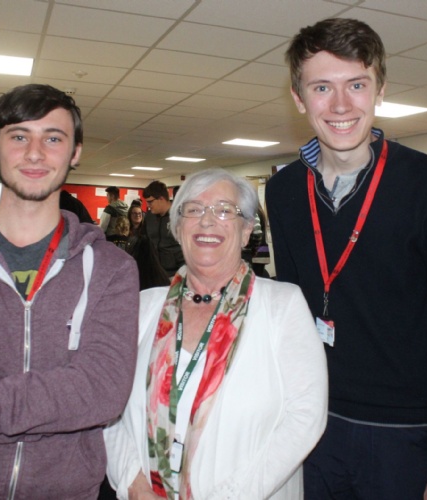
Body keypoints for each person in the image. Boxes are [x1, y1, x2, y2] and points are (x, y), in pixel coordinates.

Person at [0, 83, 139, 498]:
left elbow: (101, 394)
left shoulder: (112, 268)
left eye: (53, 138)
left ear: (75, 153)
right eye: (18, 136)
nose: (34, 153)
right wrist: (55, 404)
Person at [265, 18, 427, 500]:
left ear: (380, 89)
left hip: (406, 430)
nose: (341, 105)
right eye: (322, 87)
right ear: (299, 98)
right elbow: (293, 305)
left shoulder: (426, 185)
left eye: (357, 84)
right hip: (313, 421)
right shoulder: (283, 190)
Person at [104, 168, 327, 499]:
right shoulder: (142, 307)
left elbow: (305, 418)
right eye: (193, 209)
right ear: (177, 227)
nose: (207, 221)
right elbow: (106, 411)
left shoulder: (282, 305)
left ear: (247, 229)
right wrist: (134, 485)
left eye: (224, 210)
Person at [143, 180, 184, 278]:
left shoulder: (180, 216)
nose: (148, 205)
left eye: (150, 201)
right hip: (155, 272)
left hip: (176, 273)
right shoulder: (149, 217)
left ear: (161, 198)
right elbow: (146, 241)